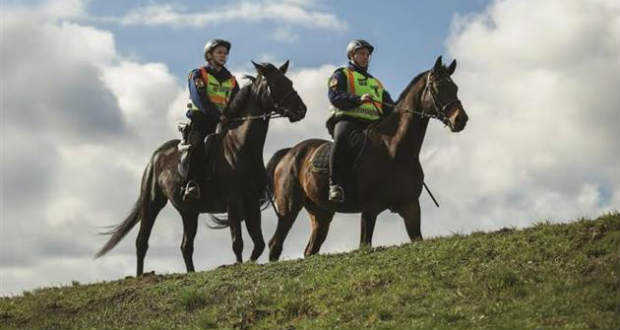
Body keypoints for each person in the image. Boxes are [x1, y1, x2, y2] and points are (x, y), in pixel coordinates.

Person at [326, 39, 395, 203]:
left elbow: (390, 107)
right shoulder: (342, 74)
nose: (365, 57)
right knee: (341, 138)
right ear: (351, 55)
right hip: (348, 120)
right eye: (361, 54)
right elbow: (334, 97)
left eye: (367, 54)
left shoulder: (376, 83)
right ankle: (334, 185)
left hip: (373, 125)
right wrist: (358, 99)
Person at [179, 39, 239, 201]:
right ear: (209, 55)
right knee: (198, 145)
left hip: (223, 123)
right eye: (219, 52)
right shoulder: (198, 74)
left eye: (225, 53)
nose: (223, 56)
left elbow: (237, 102)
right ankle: (191, 183)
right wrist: (217, 115)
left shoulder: (232, 80)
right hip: (201, 120)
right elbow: (200, 99)